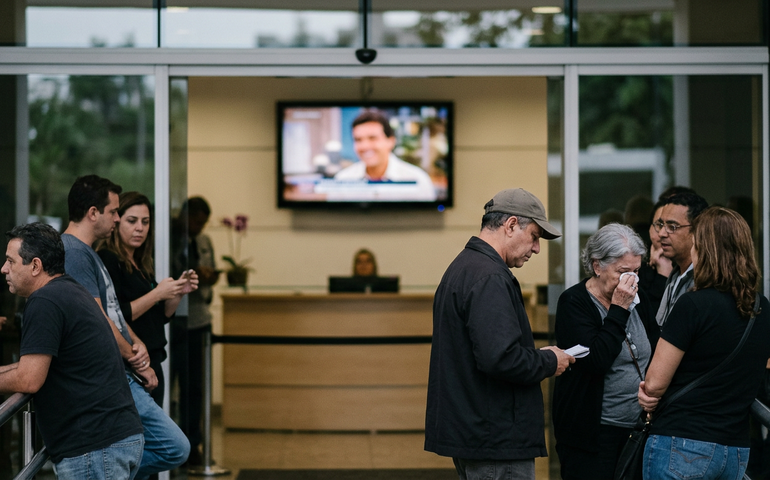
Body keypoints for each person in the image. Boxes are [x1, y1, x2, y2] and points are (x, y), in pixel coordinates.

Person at [425, 188, 574, 480]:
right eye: (534, 236)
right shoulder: (489, 277)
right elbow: (500, 358)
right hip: (496, 442)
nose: (536, 249)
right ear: (511, 225)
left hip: (479, 437)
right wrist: (549, 360)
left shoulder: (464, 267)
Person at [61, 175, 189, 479]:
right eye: (116, 212)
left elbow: (113, 312)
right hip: (112, 372)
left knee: (162, 447)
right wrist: (134, 356)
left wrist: (136, 342)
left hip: (126, 367)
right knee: (173, 447)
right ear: (93, 213)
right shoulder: (77, 253)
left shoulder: (88, 252)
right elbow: (98, 317)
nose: (118, 220)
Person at [0, 222, 144, 479]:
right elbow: (35, 363)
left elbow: (29, 378)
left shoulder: (44, 300)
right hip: (111, 441)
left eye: (11, 261)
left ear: (35, 266)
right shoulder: (69, 289)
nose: (4, 268)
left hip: (95, 448)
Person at [638, 207, 770, 480]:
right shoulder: (762, 307)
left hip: (682, 442)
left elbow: (654, 383)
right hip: (734, 449)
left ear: (706, 251)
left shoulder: (692, 305)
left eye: (696, 244)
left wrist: (648, 395)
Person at [552, 223, 660, 480]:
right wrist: (619, 309)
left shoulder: (639, 297)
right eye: (622, 272)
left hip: (637, 428)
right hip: (593, 435)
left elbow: (656, 349)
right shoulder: (574, 302)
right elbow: (597, 360)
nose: (631, 280)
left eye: (636, 271)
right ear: (597, 266)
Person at [97, 191, 199, 407]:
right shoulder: (109, 259)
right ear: (117, 222)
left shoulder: (141, 262)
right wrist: (157, 294)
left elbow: (159, 317)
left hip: (153, 359)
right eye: (132, 221)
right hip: (130, 363)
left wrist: (178, 292)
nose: (140, 228)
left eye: (145, 222)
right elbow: (116, 315)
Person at [171, 196, 218, 466]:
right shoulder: (169, 239)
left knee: (194, 388)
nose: (200, 227)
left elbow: (211, 273)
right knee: (170, 384)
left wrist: (208, 277)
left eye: (203, 223)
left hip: (198, 319)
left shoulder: (204, 241)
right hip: (173, 323)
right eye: (196, 221)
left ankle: (192, 444)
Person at [334, 110, 437, 201]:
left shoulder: (418, 180)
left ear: (391, 141)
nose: (365, 146)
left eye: (372, 138)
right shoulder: (342, 180)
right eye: (358, 140)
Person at [654, 192, 708, 326]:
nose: (661, 234)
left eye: (672, 226)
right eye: (660, 224)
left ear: (697, 230)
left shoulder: (705, 280)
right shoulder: (674, 275)